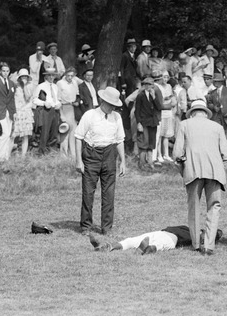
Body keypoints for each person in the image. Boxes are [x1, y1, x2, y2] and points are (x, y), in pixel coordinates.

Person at [172, 97, 227, 255]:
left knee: (194, 207)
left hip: (193, 172)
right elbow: (226, 157)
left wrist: (184, 171)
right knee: (214, 207)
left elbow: (177, 154)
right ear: (205, 113)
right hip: (215, 173)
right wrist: (219, 168)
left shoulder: (184, 124)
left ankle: (196, 243)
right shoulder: (217, 127)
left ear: (192, 113)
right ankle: (209, 245)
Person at [74, 86, 126, 236]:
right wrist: (79, 161)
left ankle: (107, 227)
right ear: (103, 101)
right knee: (88, 192)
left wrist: (123, 161)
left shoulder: (116, 117)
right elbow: (78, 137)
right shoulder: (90, 115)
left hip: (109, 155)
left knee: (109, 193)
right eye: (110, 104)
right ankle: (86, 226)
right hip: (91, 155)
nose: (112, 107)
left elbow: (120, 140)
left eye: (114, 105)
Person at [90, 226, 224, 254]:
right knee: (159, 245)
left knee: (132, 240)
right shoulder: (192, 232)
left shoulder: (190, 230)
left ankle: (111, 246)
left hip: (162, 232)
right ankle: (147, 249)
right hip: (170, 237)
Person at [134, 75, 163, 169]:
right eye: (146, 84)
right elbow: (137, 110)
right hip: (144, 121)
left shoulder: (153, 95)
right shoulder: (140, 95)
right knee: (143, 142)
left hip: (152, 122)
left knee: (151, 142)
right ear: (144, 85)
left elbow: (159, 107)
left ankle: (150, 163)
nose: (148, 86)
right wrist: (139, 123)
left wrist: (154, 97)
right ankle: (142, 163)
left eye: (150, 84)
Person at [34, 68, 61, 156]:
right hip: (45, 110)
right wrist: (44, 103)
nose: (51, 77)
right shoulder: (40, 86)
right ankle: (42, 152)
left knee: (54, 131)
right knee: (45, 131)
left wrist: (58, 104)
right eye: (49, 75)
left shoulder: (55, 86)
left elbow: (56, 99)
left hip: (54, 110)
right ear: (45, 76)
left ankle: (51, 151)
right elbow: (34, 100)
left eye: (53, 75)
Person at [57, 66, 79, 161]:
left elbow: (77, 94)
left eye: (72, 76)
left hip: (73, 107)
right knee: (65, 130)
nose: (70, 77)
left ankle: (73, 154)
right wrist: (61, 113)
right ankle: (63, 155)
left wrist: (77, 102)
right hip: (64, 107)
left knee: (73, 131)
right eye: (68, 75)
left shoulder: (74, 82)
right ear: (65, 74)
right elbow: (58, 99)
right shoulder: (60, 83)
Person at [11, 68, 35, 158]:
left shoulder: (29, 86)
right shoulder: (15, 86)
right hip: (17, 111)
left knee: (25, 135)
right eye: (22, 77)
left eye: (25, 76)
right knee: (14, 133)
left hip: (26, 112)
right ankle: (12, 152)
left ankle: (23, 155)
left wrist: (25, 85)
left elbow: (28, 98)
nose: (23, 78)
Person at [155, 71, 176, 163]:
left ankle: (166, 154)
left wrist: (171, 100)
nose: (166, 79)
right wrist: (166, 99)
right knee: (159, 135)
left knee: (166, 135)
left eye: (167, 77)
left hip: (168, 112)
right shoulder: (158, 87)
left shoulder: (169, 86)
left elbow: (171, 97)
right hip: (161, 112)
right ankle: (159, 155)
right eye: (164, 77)